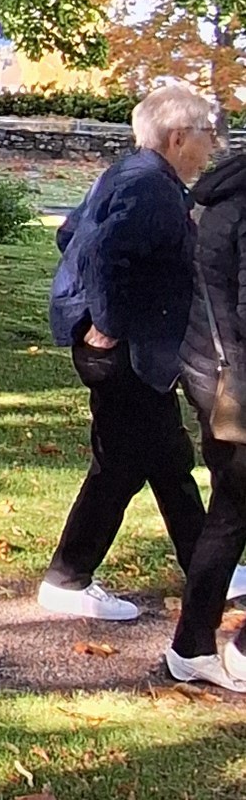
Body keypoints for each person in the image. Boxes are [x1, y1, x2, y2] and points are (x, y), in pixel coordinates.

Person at [40, 78, 220, 622]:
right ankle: (67, 579)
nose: (213, 144)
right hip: (123, 352)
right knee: (120, 467)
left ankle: (207, 569)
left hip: (130, 349)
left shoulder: (128, 175)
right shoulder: (151, 188)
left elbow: (70, 234)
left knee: (168, 460)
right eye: (207, 132)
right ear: (177, 137)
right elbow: (105, 255)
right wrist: (107, 322)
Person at [166, 133, 246, 688]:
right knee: (232, 514)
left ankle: (192, 646)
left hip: (213, 377)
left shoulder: (221, 198)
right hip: (235, 384)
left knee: (230, 515)